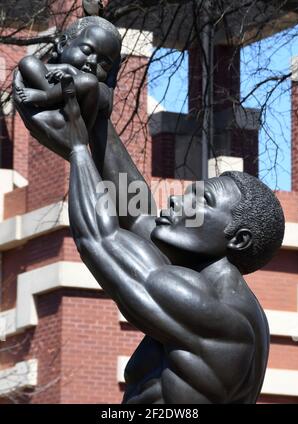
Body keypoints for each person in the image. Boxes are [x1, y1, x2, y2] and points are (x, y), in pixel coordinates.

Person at [43, 75, 284, 404]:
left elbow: (98, 240)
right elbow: (136, 213)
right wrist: (99, 118)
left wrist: (76, 149)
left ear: (238, 239)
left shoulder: (220, 311)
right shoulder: (204, 283)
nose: (175, 202)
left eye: (202, 202)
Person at [15, 16, 121, 132]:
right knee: (28, 62)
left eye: (104, 63)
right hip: (56, 113)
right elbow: (48, 68)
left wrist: (68, 73)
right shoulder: (65, 69)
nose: (92, 62)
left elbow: (87, 84)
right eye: (86, 50)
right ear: (62, 44)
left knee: (89, 80)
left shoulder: (102, 89)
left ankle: (47, 97)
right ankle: (54, 103)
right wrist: (65, 72)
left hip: (78, 125)